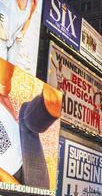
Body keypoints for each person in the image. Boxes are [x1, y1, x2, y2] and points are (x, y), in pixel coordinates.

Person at [0, 58, 62, 187]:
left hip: (26, 148)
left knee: (26, 118)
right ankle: (49, 104)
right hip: (14, 179)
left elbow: (4, 83)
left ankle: (49, 103)